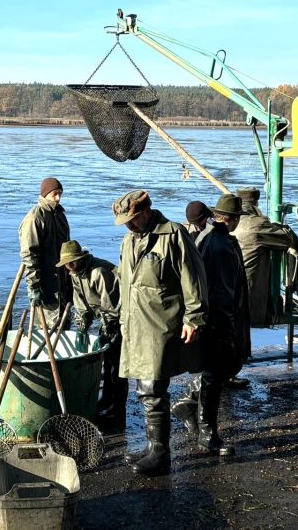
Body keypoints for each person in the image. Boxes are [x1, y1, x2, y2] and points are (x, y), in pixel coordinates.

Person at [113, 189, 208, 476]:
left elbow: (194, 279)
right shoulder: (129, 240)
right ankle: (153, 446)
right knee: (145, 389)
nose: (128, 226)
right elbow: (123, 278)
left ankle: (161, 454)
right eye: (124, 222)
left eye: (130, 220)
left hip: (160, 324)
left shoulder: (174, 235)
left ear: (145, 211)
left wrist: (194, 318)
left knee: (153, 388)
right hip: (134, 324)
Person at [171, 194, 249, 456]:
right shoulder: (221, 244)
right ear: (234, 219)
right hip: (219, 319)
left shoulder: (208, 238)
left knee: (216, 372)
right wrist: (227, 327)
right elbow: (223, 291)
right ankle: (208, 434)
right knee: (215, 374)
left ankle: (191, 407)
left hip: (208, 318)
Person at [55, 239, 127, 433]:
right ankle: (106, 400)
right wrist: (82, 327)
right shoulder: (75, 273)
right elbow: (81, 305)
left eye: (72, 262)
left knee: (117, 366)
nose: (69, 267)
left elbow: (112, 306)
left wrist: (107, 330)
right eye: (66, 264)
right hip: (105, 318)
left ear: (81, 259)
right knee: (107, 363)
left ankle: (118, 412)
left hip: (121, 320)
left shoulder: (99, 272)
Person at [233, 187, 295, 328]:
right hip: (248, 288)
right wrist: (279, 227)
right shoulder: (256, 224)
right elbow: (286, 239)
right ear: (255, 203)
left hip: (227, 287)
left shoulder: (228, 221)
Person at [18, 177, 70, 326]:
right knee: (47, 325)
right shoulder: (35, 218)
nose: (58, 198)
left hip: (62, 280)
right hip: (45, 282)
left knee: (63, 323)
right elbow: (29, 255)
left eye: (60, 193)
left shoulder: (60, 215)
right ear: (45, 194)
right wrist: (34, 287)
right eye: (54, 193)